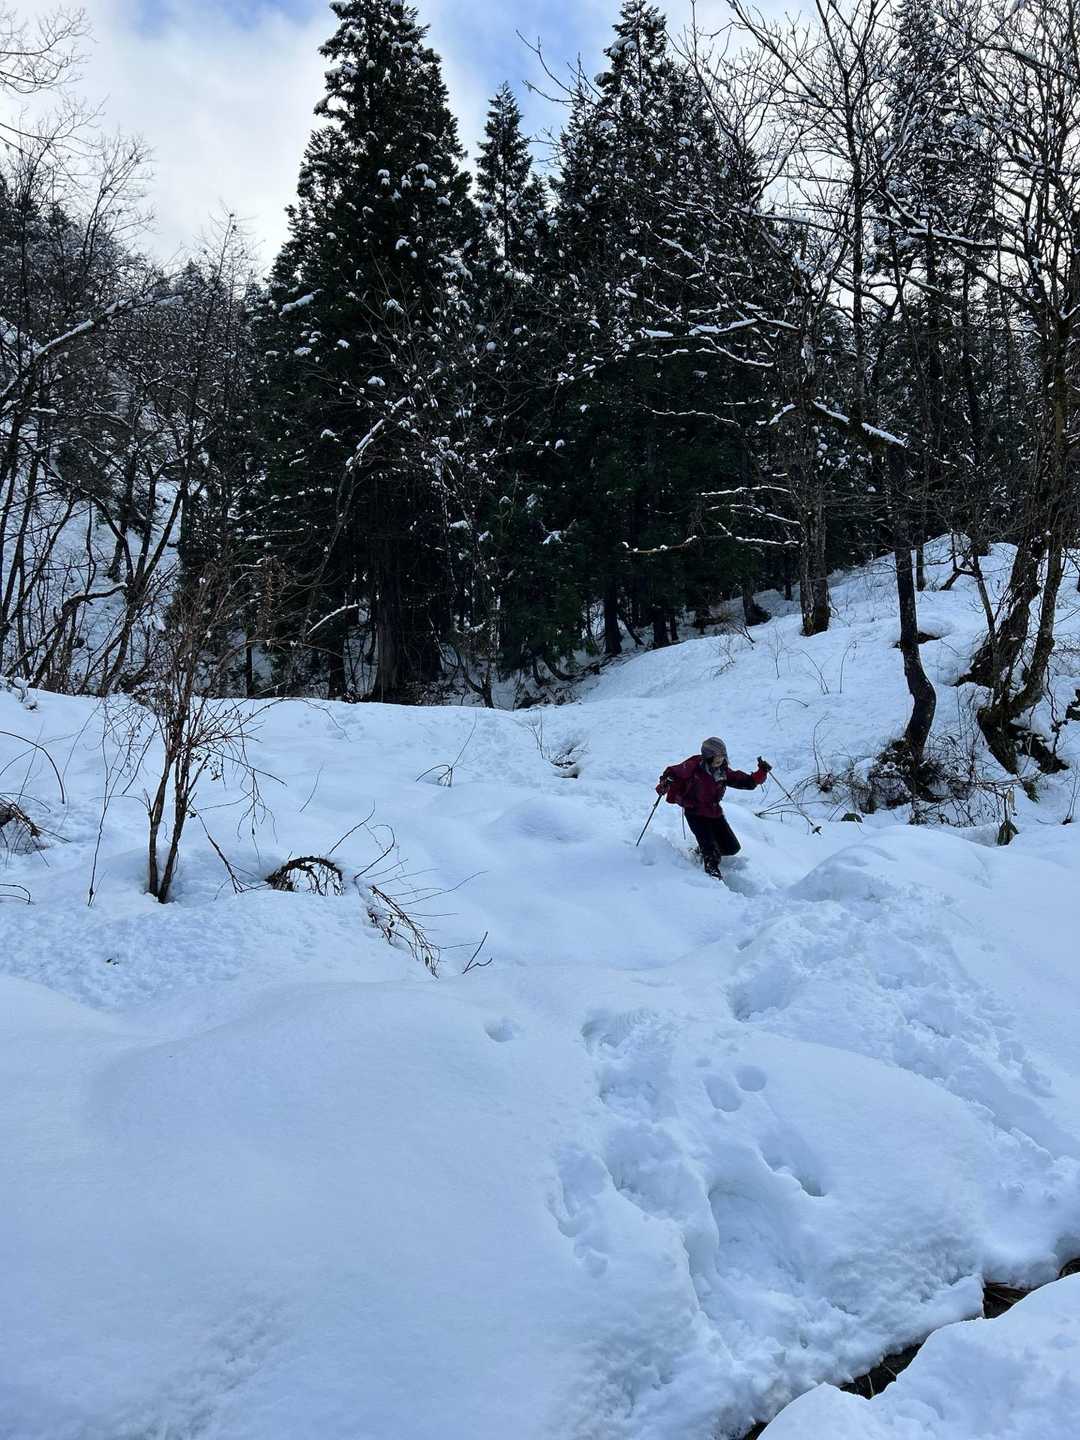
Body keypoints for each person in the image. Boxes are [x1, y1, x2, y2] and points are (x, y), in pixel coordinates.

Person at [656, 737, 771, 879]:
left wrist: (761, 772)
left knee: (731, 847)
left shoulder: (723, 772)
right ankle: (712, 879)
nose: (720, 759)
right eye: (717, 756)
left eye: (722, 756)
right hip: (695, 812)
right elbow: (673, 773)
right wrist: (665, 784)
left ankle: (701, 850)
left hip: (713, 812)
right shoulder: (693, 766)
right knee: (711, 852)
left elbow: (746, 782)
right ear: (708, 756)